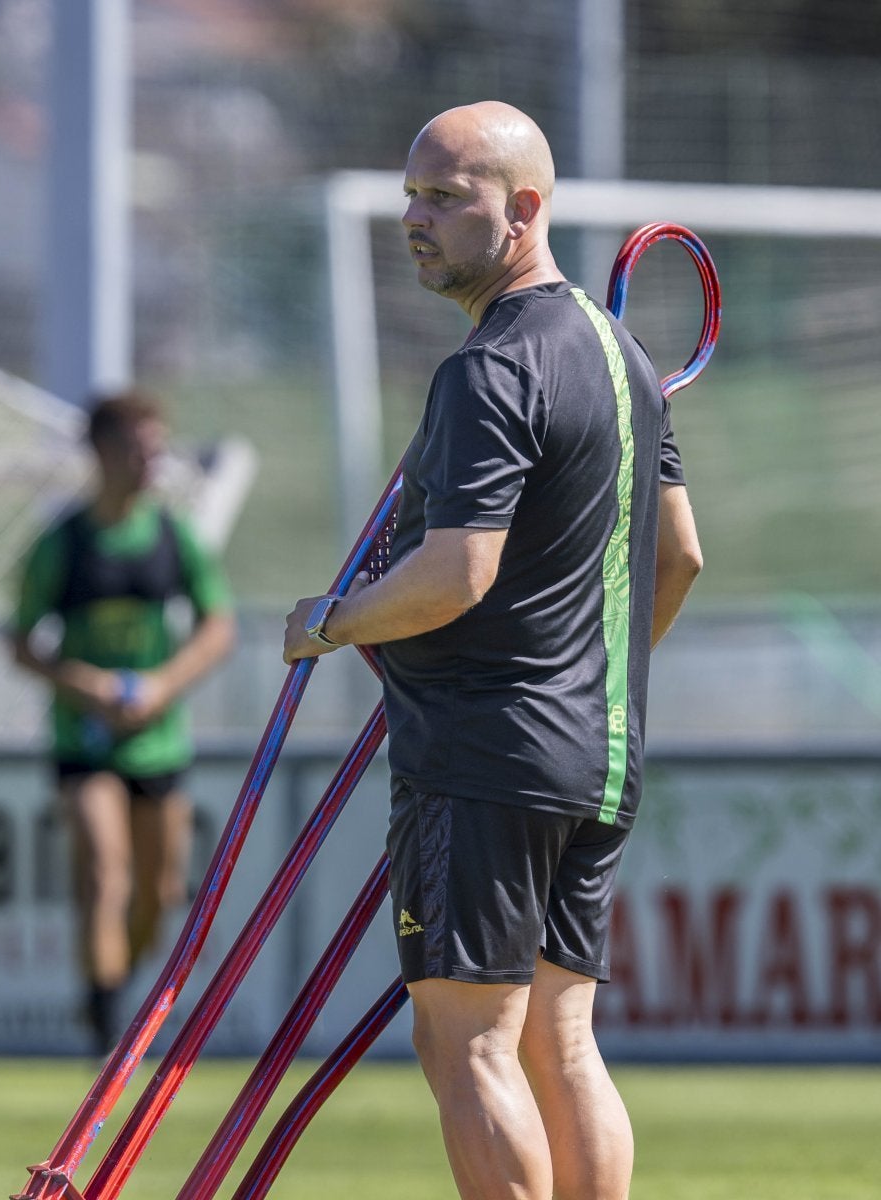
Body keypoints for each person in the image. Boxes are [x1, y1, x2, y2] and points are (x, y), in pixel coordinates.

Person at [281, 102, 704, 1200]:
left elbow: (454, 575)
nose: (413, 219)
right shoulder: (625, 357)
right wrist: (585, 683)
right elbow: (682, 559)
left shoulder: (492, 367)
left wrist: (329, 620)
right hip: (595, 754)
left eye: (444, 197)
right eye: (410, 195)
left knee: (465, 1045)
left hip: (485, 755)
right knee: (557, 1045)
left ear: (522, 210)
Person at [11, 392, 236, 1055]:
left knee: (159, 893)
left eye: (155, 450)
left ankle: (110, 990)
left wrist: (163, 686)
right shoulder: (64, 543)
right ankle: (107, 1036)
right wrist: (89, 686)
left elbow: (218, 627)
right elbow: (23, 643)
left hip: (157, 738)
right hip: (84, 738)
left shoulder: (173, 537)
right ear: (101, 452)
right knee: (105, 873)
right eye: (138, 450)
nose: (150, 463)